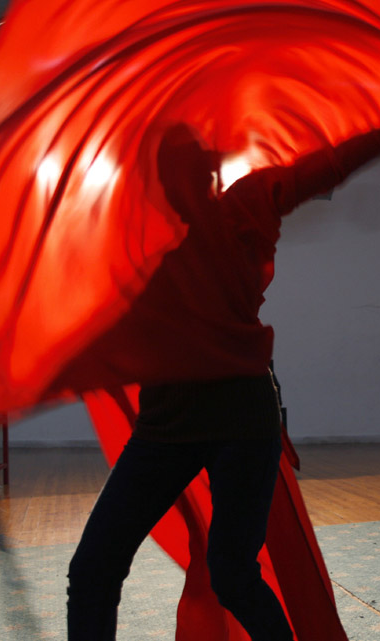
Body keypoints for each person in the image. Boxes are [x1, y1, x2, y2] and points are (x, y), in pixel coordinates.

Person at [66, 127, 293, 640]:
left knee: (232, 573)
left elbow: (309, 170)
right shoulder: (138, 241)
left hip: (241, 420)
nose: (173, 187)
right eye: (164, 177)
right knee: (94, 568)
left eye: (184, 173)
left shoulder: (239, 226)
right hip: (167, 425)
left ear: (208, 176)